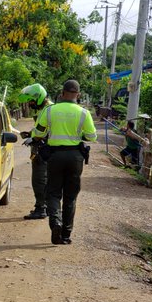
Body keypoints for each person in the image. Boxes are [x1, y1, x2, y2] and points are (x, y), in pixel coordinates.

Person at [32, 79, 97, 245]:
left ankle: (55, 222)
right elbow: (92, 137)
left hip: (55, 157)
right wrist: (78, 136)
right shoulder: (84, 113)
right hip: (75, 158)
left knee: (53, 192)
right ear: (78, 95)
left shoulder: (50, 110)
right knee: (71, 197)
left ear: (62, 93)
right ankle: (66, 235)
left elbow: (38, 133)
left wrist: (43, 136)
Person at [18, 83, 52, 219]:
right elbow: (40, 128)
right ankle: (48, 207)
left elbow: (46, 131)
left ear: (39, 98)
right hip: (46, 147)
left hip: (44, 148)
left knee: (39, 179)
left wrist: (34, 138)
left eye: (31, 100)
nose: (30, 104)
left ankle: (41, 208)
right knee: (45, 179)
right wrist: (31, 134)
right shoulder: (45, 108)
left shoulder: (48, 109)